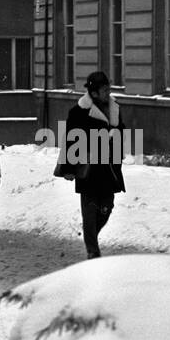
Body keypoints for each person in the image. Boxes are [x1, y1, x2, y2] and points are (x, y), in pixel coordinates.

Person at [58, 70, 127, 259]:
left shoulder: (115, 109)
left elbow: (122, 131)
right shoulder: (79, 111)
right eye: (104, 90)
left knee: (107, 207)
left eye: (109, 89)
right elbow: (70, 139)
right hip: (87, 167)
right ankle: (92, 251)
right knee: (89, 210)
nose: (108, 93)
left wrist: (117, 138)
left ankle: (91, 238)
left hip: (108, 167)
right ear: (93, 93)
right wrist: (68, 168)